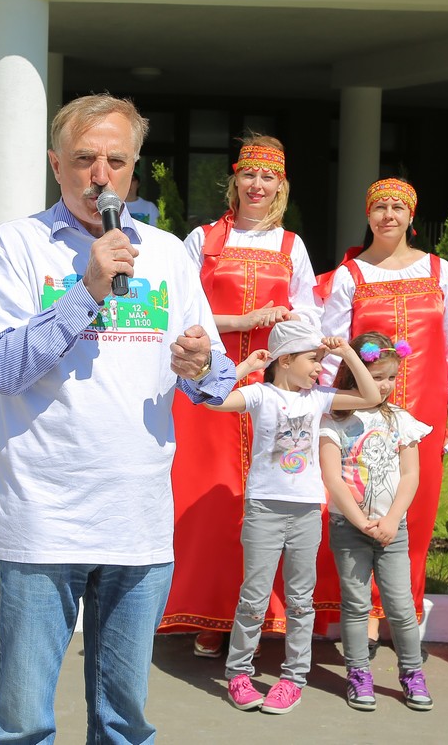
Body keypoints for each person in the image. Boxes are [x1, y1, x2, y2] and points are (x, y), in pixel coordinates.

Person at [0, 94, 237, 744]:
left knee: (124, 724)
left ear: (133, 169)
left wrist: (202, 365)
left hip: (137, 521)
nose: (99, 175)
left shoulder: (168, 254)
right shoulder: (17, 246)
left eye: (116, 160)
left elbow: (214, 382)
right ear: (55, 164)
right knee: (21, 724)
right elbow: (2, 368)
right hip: (43, 518)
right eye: (84, 158)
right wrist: (86, 291)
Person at [159, 135, 319, 658]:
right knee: (211, 498)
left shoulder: (292, 246)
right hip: (211, 384)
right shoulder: (202, 239)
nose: (257, 185)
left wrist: (287, 322)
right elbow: (179, 310)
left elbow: (310, 317)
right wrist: (242, 320)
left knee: (270, 498)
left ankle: (262, 614)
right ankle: (210, 611)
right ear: (235, 179)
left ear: (281, 186)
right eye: (249, 174)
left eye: (268, 177)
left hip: (272, 388)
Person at [317, 177, 448, 649]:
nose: (388, 215)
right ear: (367, 215)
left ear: (411, 215)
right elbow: (331, 349)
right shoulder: (351, 275)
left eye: (397, 207)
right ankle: (365, 613)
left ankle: (403, 608)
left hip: (423, 411)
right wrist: (330, 408)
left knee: (416, 508)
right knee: (363, 502)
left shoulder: (439, 271)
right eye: (379, 207)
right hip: (364, 414)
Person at [206, 319, 379, 715]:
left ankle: (293, 679)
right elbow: (213, 400)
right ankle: (239, 675)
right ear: (285, 360)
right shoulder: (260, 394)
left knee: (301, 600)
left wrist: (346, 352)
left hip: (305, 512)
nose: (320, 367)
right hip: (264, 509)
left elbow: (369, 397)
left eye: (321, 360)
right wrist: (246, 367)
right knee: (254, 596)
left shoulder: (318, 399)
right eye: (313, 359)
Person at [320, 331, 434, 712]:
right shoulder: (333, 420)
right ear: (354, 374)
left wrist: (391, 520)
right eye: (377, 376)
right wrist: (359, 521)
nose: (385, 385)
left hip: (392, 531)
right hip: (349, 530)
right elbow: (333, 478)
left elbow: (410, 475)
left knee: (400, 606)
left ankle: (412, 673)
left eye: (391, 377)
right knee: (355, 605)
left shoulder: (401, 420)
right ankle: (358, 673)